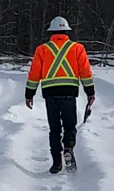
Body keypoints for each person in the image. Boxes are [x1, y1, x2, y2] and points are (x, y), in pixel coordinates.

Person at [26, 16, 96, 173]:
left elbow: (34, 74)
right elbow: (85, 72)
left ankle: (56, 162)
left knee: (54, 128)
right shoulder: (77, 48)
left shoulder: (42, 49)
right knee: (70, 125)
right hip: (69, 93)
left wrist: (29, 94)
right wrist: (90, 92)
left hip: (50, 94)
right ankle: (69, 147)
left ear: (51, 31)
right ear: (67, 31)